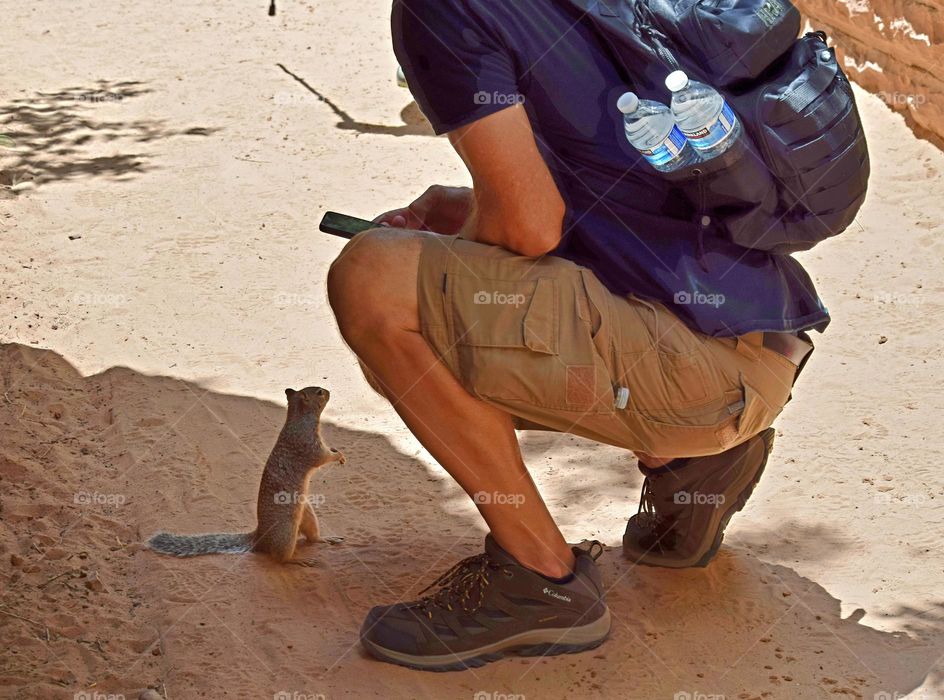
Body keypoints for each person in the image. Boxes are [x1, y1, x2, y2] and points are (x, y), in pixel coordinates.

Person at [326, 0, 821, 671]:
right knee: (443, 266)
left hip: (694, 380)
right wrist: (464, 223)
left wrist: (447, 253)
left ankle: (541, 580)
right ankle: (692, 467)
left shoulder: (442, 9)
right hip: (765, 347)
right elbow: (609, 188)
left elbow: (529, 227)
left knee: (377, 282)